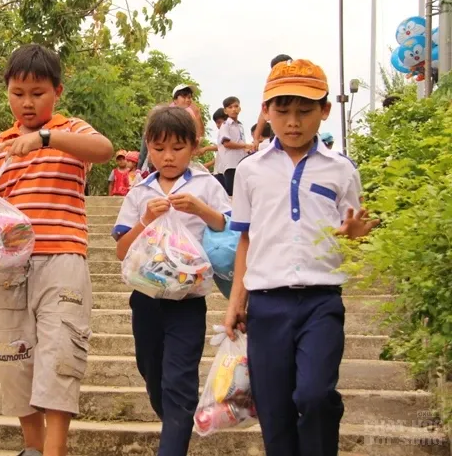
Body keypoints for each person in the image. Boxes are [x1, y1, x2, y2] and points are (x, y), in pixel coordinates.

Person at [223, 59, 380, 456]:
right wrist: (235, 301)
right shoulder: (250, 171)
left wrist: (357, 238)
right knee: (274, 412)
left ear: (324, 111)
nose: (293, 122)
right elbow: (245, 240)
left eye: (305, 111)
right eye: (283, 111)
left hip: (320, 302)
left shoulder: (342, 170)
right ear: (266, 111)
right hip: (267, 304)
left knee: (314, 395)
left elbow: (353, 236)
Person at [0, 44, 114, 456]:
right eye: (18, 93)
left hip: (63, 258)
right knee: (14, 353)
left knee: (60, 350)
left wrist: (46, 138)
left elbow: (104, 151)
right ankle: (32, 447)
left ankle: (55, 449)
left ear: (58, 91)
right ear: (7, 92)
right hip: (10, 262)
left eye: (38, 92)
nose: (27, 102)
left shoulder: (72, 131)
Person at [112, 106, 231, 455]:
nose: (168, 157)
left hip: (188, 301)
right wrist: (145, 220)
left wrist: (200, 210)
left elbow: (228, 226)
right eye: (160, 148)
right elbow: (121, 250)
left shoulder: (206, 185)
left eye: (178, 148)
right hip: (146, 298)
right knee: (152, 372)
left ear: (194, 147)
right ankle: (174, 423)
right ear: (148, 145)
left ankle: (173, 442)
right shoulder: (139, 191)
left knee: (179, 381)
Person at [139, 83, 203, 173]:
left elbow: (199, 135)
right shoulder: (164, 114)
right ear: (175, 100)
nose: (188, 100)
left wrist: (198, 117)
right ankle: (140, 168)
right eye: (184, 97)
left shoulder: (190, 114)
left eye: (189, 97)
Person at [251, 54, 293, 147]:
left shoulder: (303, 86)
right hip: (279, 136)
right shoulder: (273, 89)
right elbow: (263, 113)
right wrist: (256, 138)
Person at [218, 96, 255, 196]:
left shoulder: (240, 126)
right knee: (232, 194)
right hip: (231, 164)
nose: (234, 109)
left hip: (241, 163)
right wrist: (245, 145)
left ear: (240, 108)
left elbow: (241, 143)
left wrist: (248, 148)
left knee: (242, 193)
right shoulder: (225, 125)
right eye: (230, 107)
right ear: (225, 111)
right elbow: (227, 143)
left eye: (236, 106)